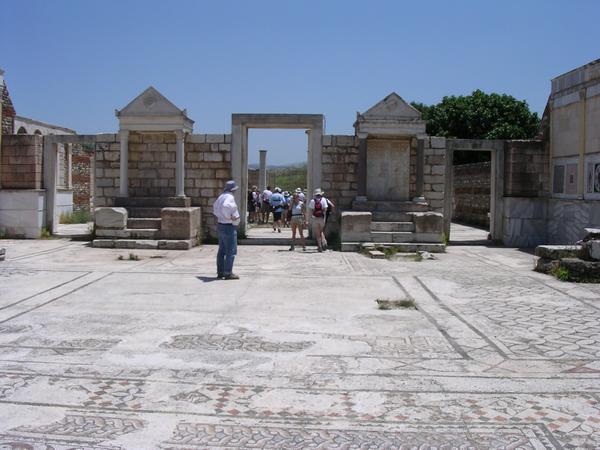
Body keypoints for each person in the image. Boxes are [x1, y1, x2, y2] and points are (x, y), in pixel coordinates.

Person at [213, 180, 240, 280]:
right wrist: (229, 217)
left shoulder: (221, 196)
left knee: (222, 250)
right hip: (228, 226)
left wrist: (221, 216)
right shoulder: (230, 197)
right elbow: (226, 206)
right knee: (231, 250)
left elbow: (215, 208)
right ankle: (228, 272)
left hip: (220, 225)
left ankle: (220, 272)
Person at [308, 188, 328, 252]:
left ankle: (320, 246)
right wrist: (323, 216)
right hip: (322, 218)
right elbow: (325, 209)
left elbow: (311, 211)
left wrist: (311, 218)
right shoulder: (324, 200)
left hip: (315, 218)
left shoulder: (312, 201)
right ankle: (324, 242)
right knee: (321, 231)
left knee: (317, 233)